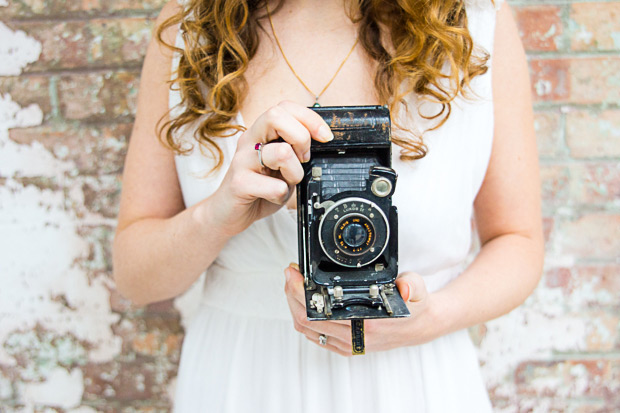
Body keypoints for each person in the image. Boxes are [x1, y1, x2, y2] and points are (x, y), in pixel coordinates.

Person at [112, 0, 544, 411]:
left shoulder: (472, 20)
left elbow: (518, 242)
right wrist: (215, 215)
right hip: (242, 378)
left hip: (412, 379)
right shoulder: (191, 25)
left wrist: (432, 318)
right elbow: (136, 278)